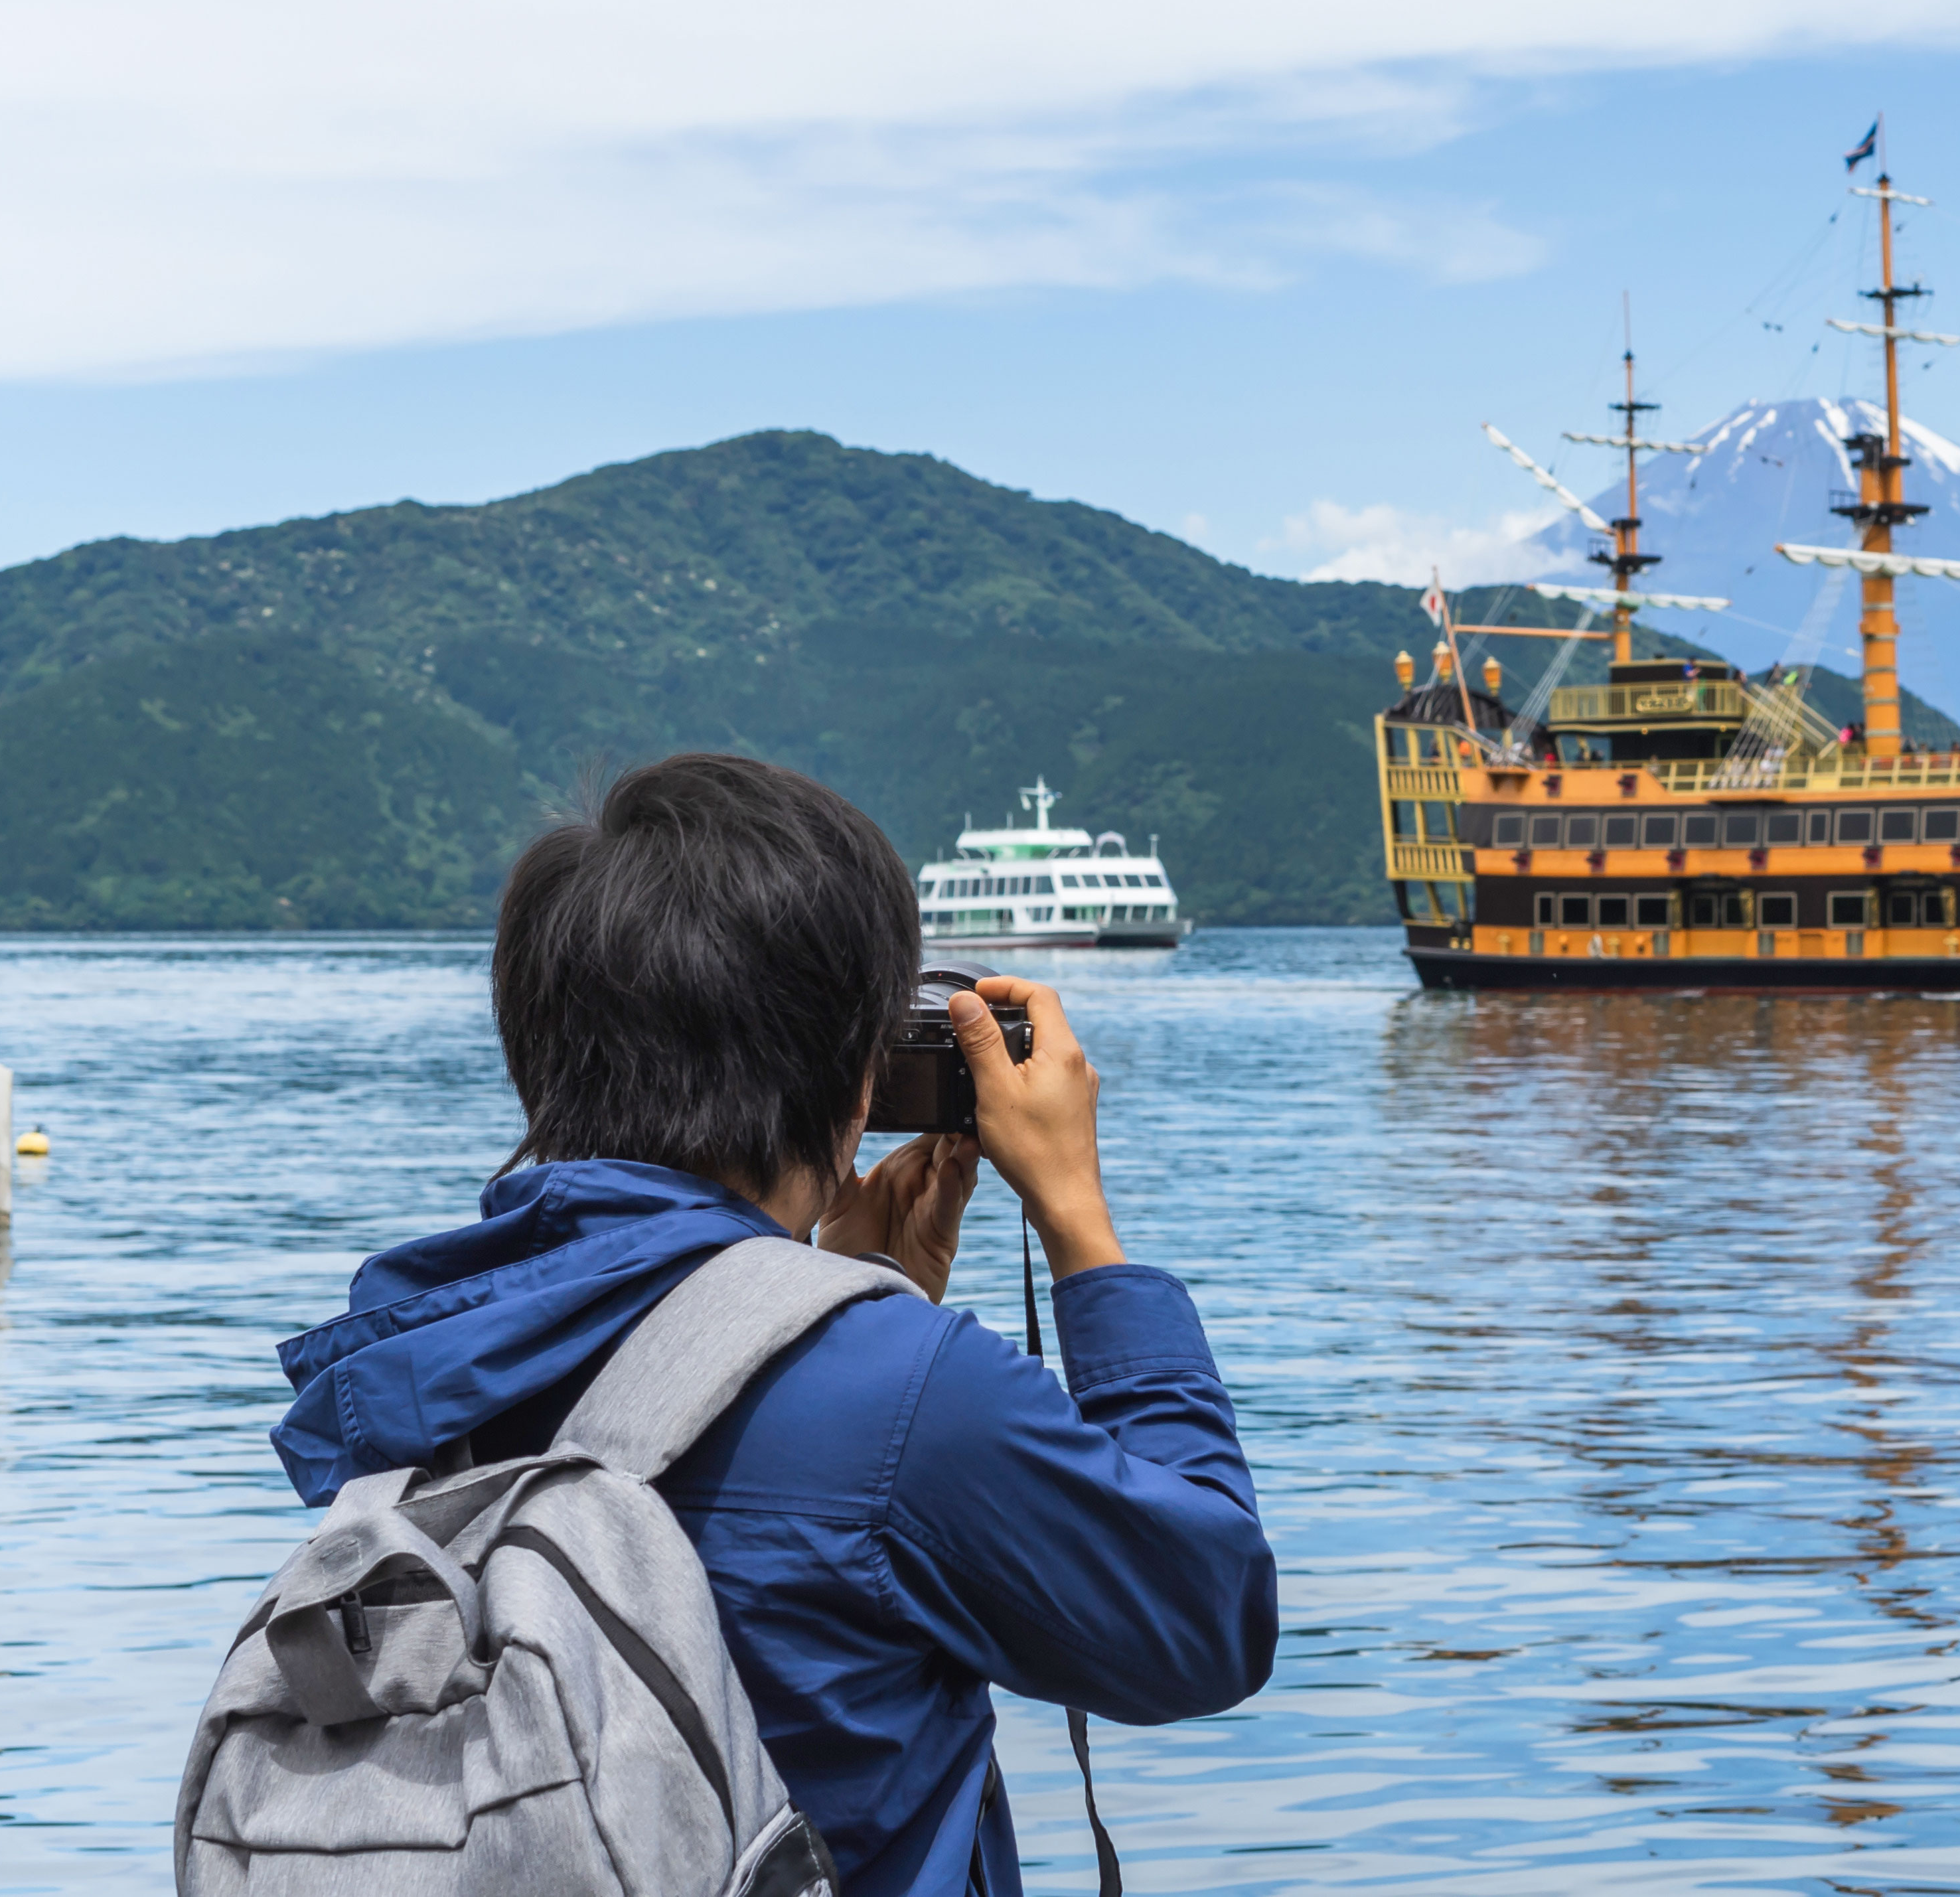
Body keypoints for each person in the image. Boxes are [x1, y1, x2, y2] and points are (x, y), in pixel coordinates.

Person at [267, 753, 1275, 1897]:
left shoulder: (421, 1359)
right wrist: (1079, 1224)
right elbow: (1203, 1620)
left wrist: (810, 1293)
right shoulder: (903, 1394)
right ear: (855, 1074)